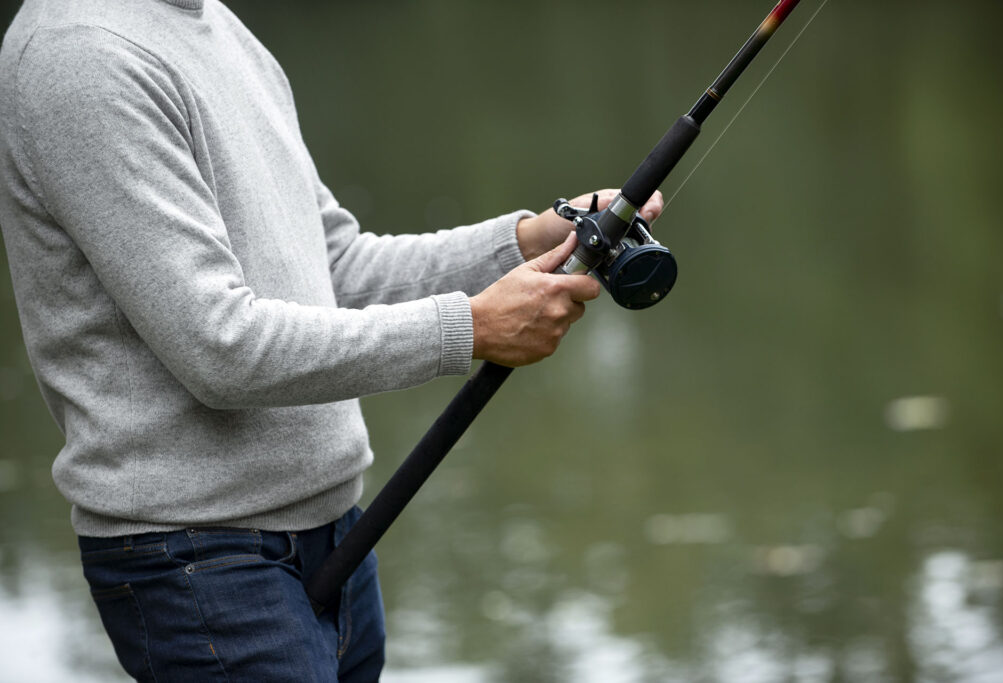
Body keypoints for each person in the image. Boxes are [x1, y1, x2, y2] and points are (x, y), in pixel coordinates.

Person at [0, 0, 663, 680]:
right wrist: (469, 326)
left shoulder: (218, 27)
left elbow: (336, 266)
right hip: (200, 561)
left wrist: (525, 243)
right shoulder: (80, 54)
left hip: (336, 536)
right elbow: (218, 347)